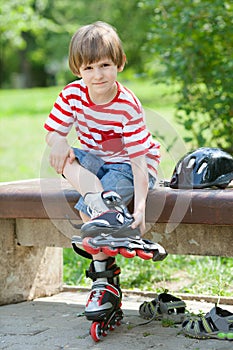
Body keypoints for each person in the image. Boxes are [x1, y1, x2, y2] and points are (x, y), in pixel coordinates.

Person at [44, 21, 162, 339]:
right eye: (89, 67)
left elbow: (138, 161)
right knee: (62, 155)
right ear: (77, 69)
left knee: (86, 215)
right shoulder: (72, 94)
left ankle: (103, 280)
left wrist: (139, 209)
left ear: (119, 64)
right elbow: (53, 132)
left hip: (130, 167)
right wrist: (58, 142)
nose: (98, 75)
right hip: (98, 164)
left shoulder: (127, 105)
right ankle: (102, 203)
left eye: (106, 65)